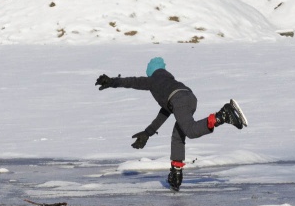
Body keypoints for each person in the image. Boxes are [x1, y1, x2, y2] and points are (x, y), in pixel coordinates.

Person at [95, 57, 247, 191]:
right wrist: (148, 132)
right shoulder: (168, 82)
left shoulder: (154, 80)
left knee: (191, 131)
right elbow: (165, 112)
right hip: (189, 97)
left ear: (151, 71)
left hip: (178, 99)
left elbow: (132, 82)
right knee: (178, 135)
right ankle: (176, 172)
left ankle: (223, 115)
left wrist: (112, 82)